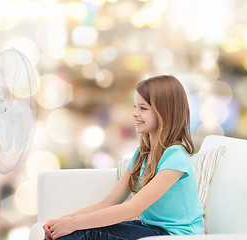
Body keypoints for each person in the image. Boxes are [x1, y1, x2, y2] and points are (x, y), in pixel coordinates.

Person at [43, 75, 204, 240]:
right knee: (69, 232)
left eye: (143, 108)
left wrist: (74, 224)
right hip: (149, 228)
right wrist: (64, 221)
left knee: (80, 232)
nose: (135, 113)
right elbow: (107, 203)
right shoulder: (142, 154)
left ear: (165, 111)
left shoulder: (175, 156)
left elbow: (132, 209)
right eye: (135, 106)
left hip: (173, 235)